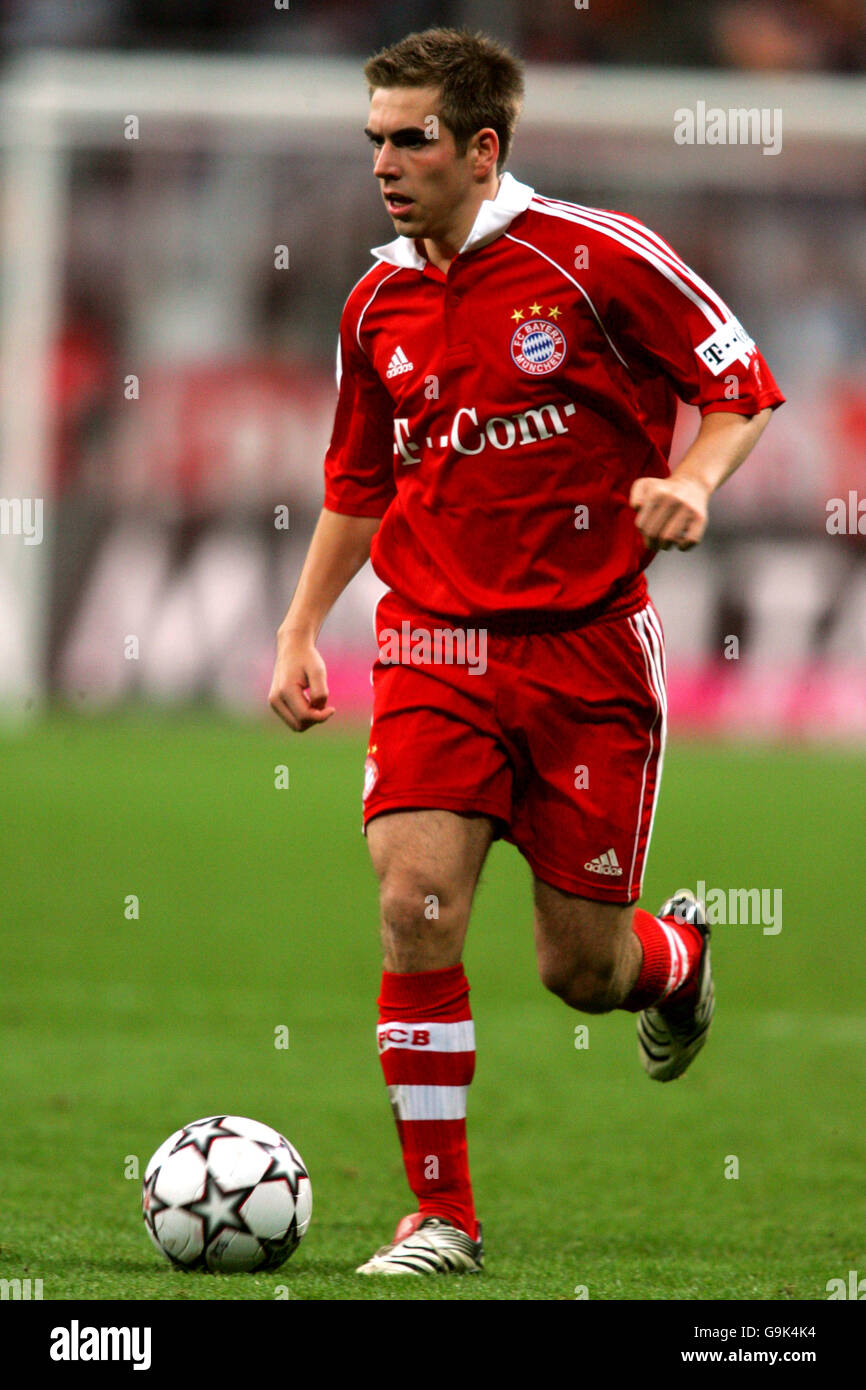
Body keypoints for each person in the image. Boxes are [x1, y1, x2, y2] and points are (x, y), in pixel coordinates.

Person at [269, 26, 785, 1276]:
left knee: (580, 968)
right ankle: (439, 1213)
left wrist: (694, 482)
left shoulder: (598, 258)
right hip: (433, 640)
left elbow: (740, 383)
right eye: (374, 140)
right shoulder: (373, 300)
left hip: (587, 653)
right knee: (414, 903)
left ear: (480, 145)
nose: (385, 163)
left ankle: (675, 960)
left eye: (411, 140)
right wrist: (297, 626)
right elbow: (357, 481)